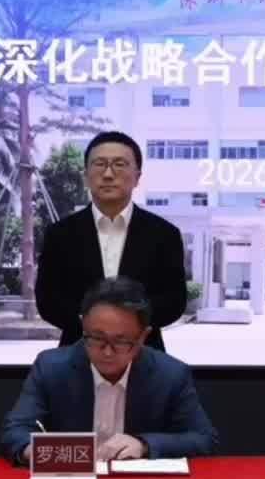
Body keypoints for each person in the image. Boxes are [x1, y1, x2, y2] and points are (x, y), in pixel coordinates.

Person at [3, 276, 219, 465]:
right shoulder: (51, 367)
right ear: (83, 325)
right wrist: (41, 452)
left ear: (143, 337)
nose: (107, 352)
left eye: (121, 341)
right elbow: (16, 430)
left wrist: (144, 445)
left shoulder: (170, 374)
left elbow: (203, 438)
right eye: (97, 338)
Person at [35, 130, 189, 352]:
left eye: (119, 164)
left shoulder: (164, 234)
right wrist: (93, 328)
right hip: (76, 353)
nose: (108, 174)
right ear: (86, 175)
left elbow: (174, 300)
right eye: (100, 164)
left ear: (137, 176)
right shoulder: (60, 234)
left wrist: (129, 326)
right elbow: (48, 300)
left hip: (145, 354)